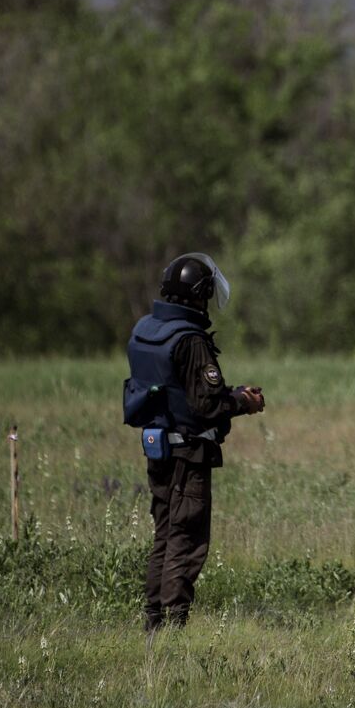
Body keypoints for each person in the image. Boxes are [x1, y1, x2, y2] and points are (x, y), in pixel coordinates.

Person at [123, 253, 265, 631]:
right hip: (190, 452)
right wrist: (243, 402)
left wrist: (229, 394)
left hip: (159, 447)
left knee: (165, 533)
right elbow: (206, 404)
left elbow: (177, 393)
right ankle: (173, 626)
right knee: (186, 540)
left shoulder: (147, 331)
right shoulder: (191, 340)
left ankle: (153, 620)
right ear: (197, 296)